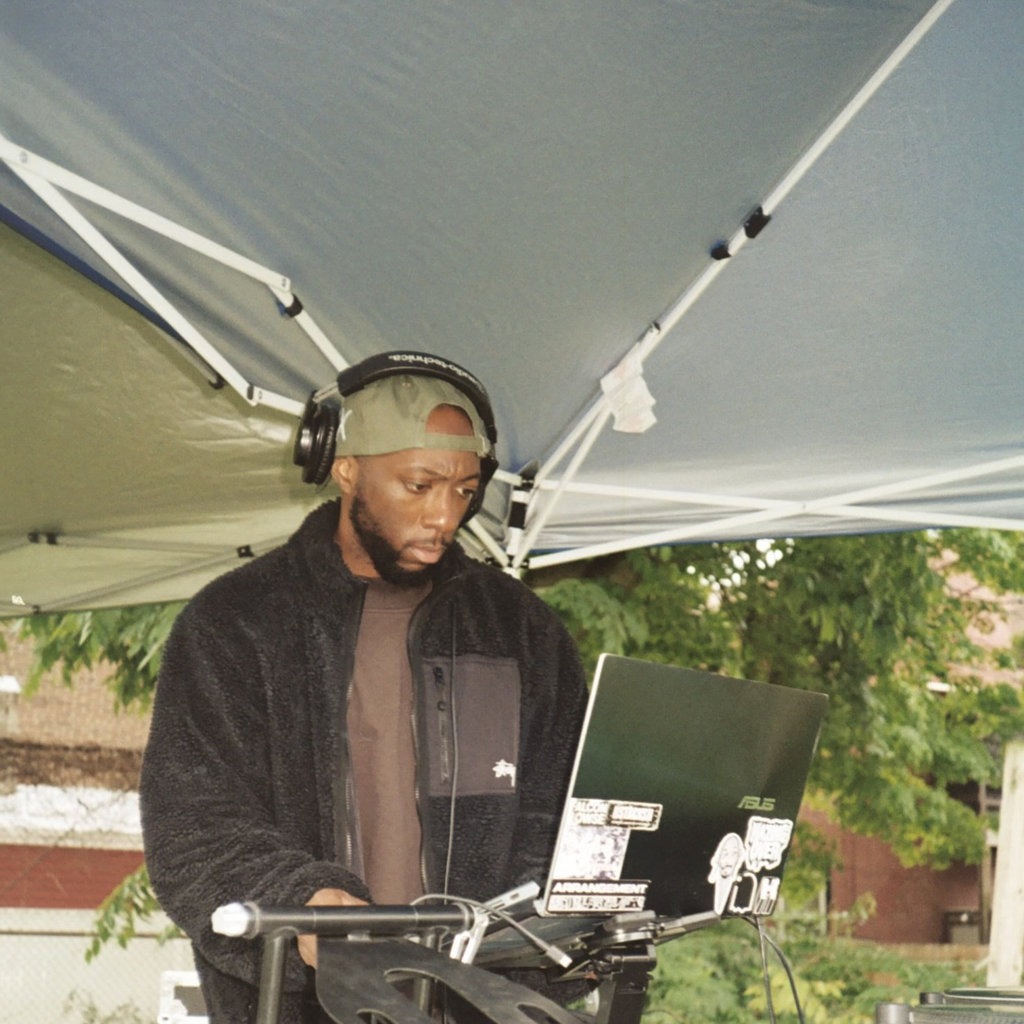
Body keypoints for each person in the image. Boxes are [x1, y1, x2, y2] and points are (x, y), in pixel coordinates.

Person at [140, 351, 589, 1024]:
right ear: (345, 469)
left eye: (464, 491)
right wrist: (303, 896)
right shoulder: (235, 622)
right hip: (300, 1005)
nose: (444, 516)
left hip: (481, 1005)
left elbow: (563, 815)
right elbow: (195, 828)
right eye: (419, 485)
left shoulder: (523, 631)